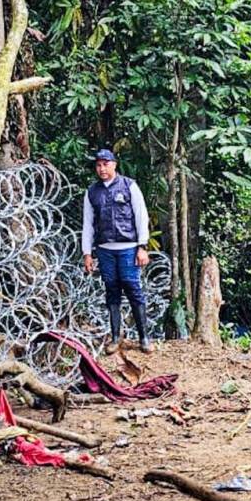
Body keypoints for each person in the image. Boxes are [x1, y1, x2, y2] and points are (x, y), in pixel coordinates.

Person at [81, 149, 153, 354]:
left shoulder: (129, 186)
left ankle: (144, 338)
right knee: (111, 291)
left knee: (133, 289)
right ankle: (114, 337)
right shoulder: (92, 192)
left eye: (106, 164)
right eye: (98, 165)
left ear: (114, 164)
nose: (102, 169)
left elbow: (141, 216)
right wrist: (87, 253)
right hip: (104, 249)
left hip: (128, 248)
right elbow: (88, 224)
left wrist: (142, 246)